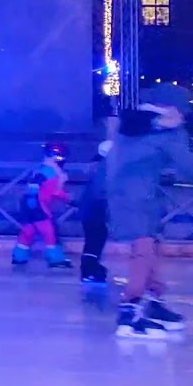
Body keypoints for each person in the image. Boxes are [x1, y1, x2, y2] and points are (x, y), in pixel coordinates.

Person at [108, 84, 193, 339]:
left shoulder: (135, 123)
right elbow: (187, 167)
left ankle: (153, 303)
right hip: (139, 197)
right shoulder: (169, 130)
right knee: (144, 248)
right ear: (172, 107)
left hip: (121, 193)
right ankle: (130, 310)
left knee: (149, 245)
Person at [11, 142, 72, 267]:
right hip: (39, 205)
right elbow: (55, 191)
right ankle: (56, 259)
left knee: (28, 231)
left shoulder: (38, 170)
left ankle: (19, 256)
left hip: (26, 204)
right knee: (50, 232)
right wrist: (69, 199)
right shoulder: (54, 173)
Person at [79, 139, 112, 284]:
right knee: (96, 238)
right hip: (95, 209)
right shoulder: (105, 168)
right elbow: (102, 191)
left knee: (94, 238)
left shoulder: (97, 166)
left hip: (90, 208)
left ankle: (90, 267)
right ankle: (89, 270)